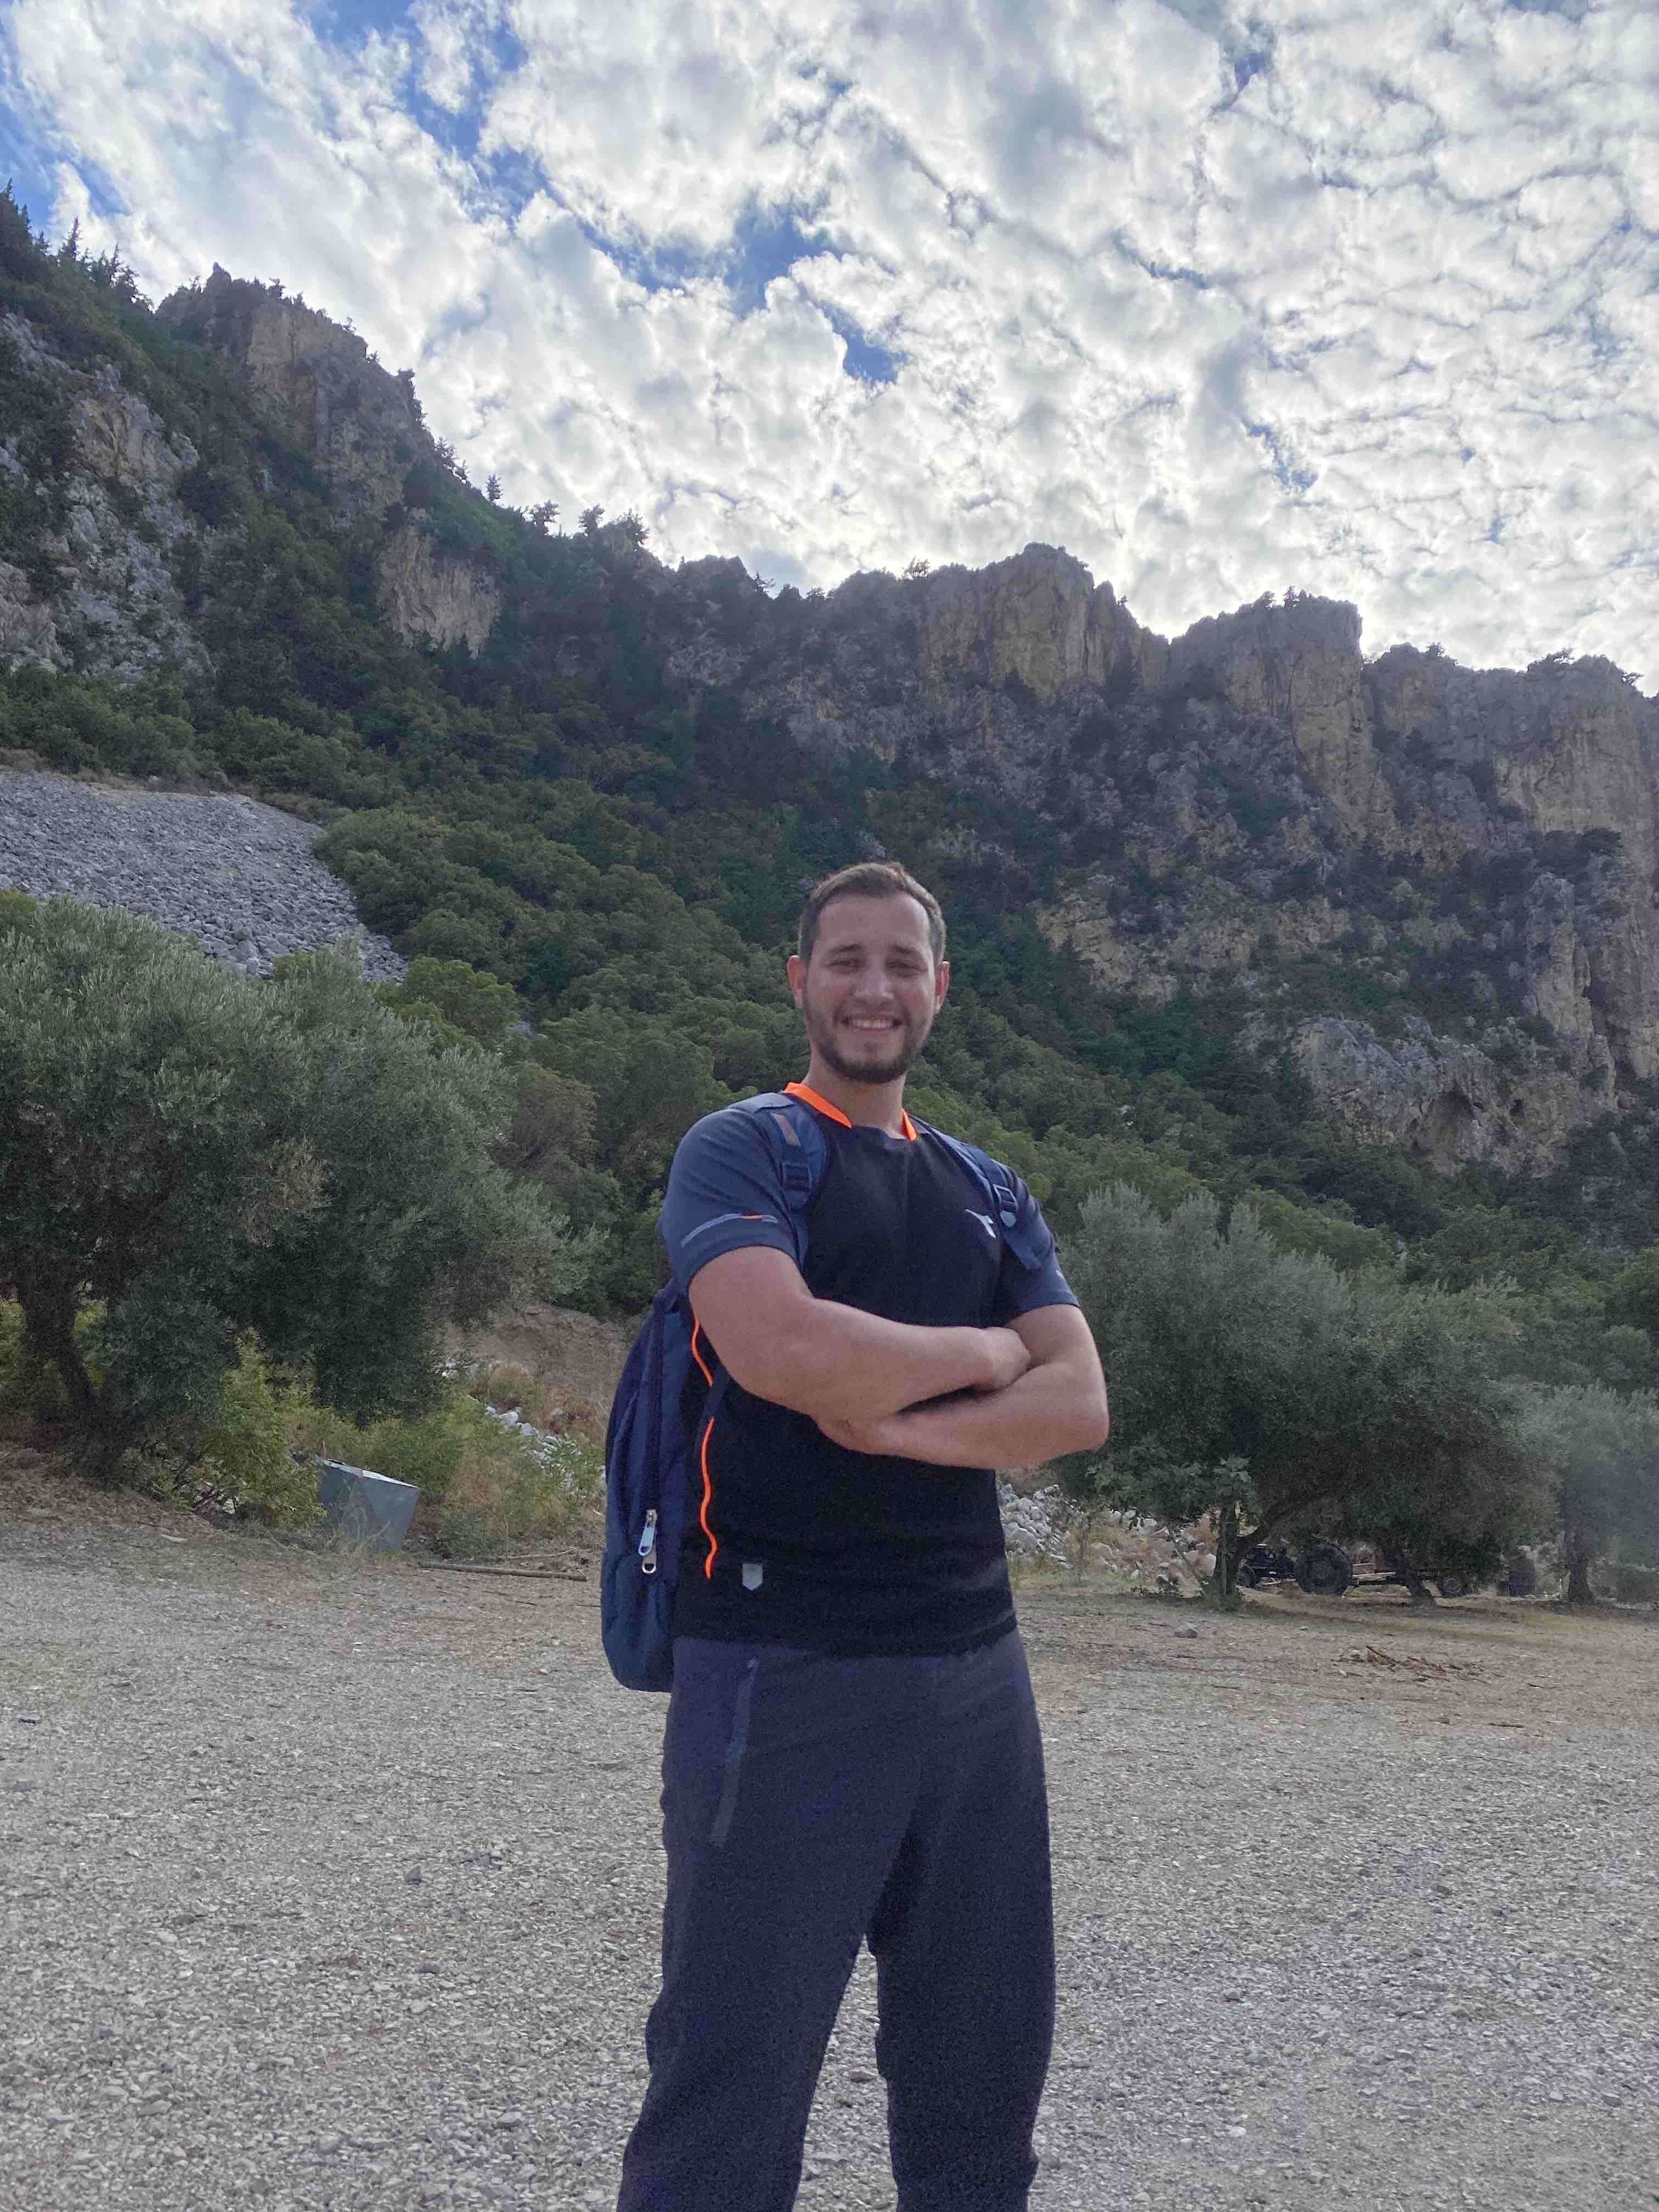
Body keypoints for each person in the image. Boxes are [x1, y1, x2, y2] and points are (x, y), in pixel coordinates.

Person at [616, 861, 1110, 2212]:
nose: (874, 988)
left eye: (902, 964)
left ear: (940, 988)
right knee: (732, 2076)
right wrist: (985, 1353)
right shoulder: (745, 1149)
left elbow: (1079, 1403)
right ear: (800, 981)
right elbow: (782, 1347)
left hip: (977, 1670)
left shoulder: (989, 1188)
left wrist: (892, 1424)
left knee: (982, 2069)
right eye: (846, 960)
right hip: (779, 1661)